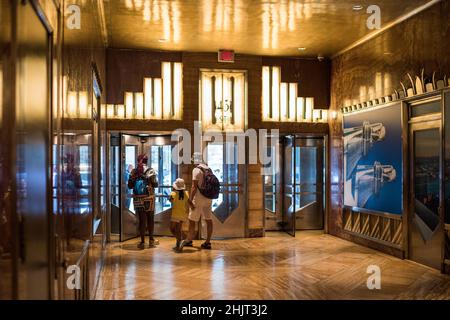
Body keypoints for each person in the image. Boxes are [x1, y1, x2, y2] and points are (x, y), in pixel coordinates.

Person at [179, 153, 215, 251]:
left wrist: (190, 200)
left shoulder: (196, 170)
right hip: (208, 198)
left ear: (194, 161)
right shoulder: (208, 169)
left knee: (192, 220)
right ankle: (207, 242)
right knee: (208, 220)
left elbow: (194, 187)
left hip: (198, 199)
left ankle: (189, 240)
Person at [128, 154, 159, 249]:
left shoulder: (134, 171)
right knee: (150, 220)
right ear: (147, 161)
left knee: (142, 221)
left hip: (138, 199)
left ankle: (142, 242)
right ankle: (151, 240)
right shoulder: (151, 171)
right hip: (149, 198)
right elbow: (155, 184)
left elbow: (130, 186)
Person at [169, 178, 194, 252]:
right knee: (178, 229)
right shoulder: (186, 193)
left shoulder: (173, 193)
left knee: (172, 229)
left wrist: (172, 191)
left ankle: (180, 240)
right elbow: (189, 202)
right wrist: (192, 206)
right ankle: (179, 242)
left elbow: (170, 200)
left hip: (175, 214)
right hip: (182, 214)